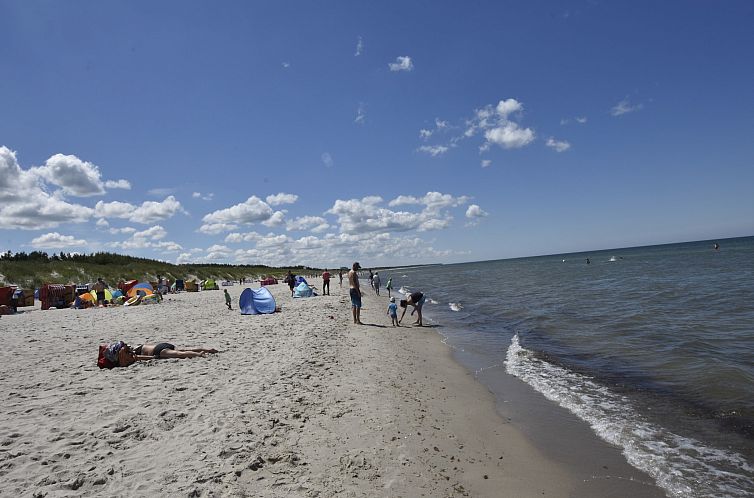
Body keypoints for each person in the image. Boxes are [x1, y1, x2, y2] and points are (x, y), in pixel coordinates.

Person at [101, 342, 219, 368]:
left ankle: (199, 354)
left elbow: (149, 357)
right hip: (159, 345)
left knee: (179, 354)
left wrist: (154, 358)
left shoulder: (131, 355)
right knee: (183, 349)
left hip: (157, 351)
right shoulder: (132, 348)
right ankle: (207, 349)